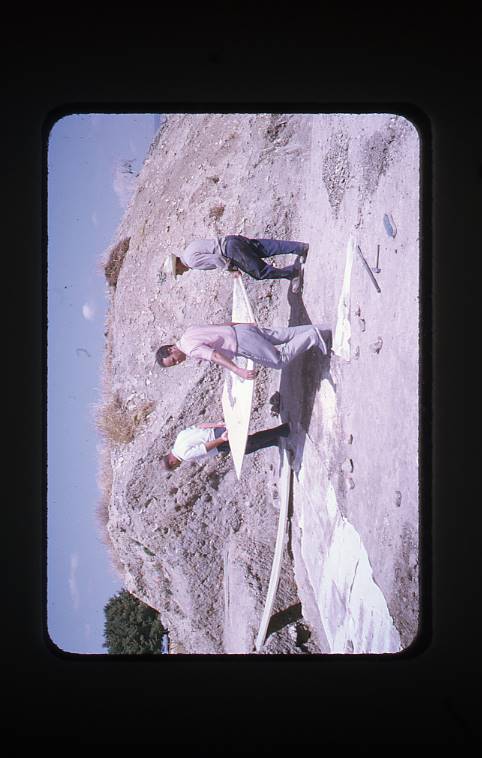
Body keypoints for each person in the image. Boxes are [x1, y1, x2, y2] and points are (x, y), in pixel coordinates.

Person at [155, 322, 331, 379]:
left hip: (241, 343)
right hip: (240, 330)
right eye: (174, 364)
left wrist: (237, 370)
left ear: (171, 349)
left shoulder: (190, 349)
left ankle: (313, 336)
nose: (178, 362)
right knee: (281, 335)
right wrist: (241, 324)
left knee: (278, 361)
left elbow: (214, 356)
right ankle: (323, 328)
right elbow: (219, 326)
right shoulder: (188, 333)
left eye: (174, 360)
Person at [162, 235, 309, 293]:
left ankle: (292, 273)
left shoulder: (192, 261)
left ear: (177, 265)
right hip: (231, 240)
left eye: (178, 272)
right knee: (264, 248)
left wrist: (231, 269)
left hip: (230, 251)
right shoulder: (189, 249)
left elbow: (215, 259)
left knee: (259, 272)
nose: (181, 273)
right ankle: (300, 247)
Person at [161, 421, 291, 471]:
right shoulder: (179, 438)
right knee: (247, 446)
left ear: (172, 461)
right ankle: (274, 439)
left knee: (249, 444)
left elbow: (204, 448)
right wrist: (217, 425)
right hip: (215, 433)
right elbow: (199, 426)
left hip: (217, 441)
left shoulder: (184, 455)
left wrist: (221, 439)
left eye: (175, 467)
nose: (178, 466)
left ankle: (281, 431)